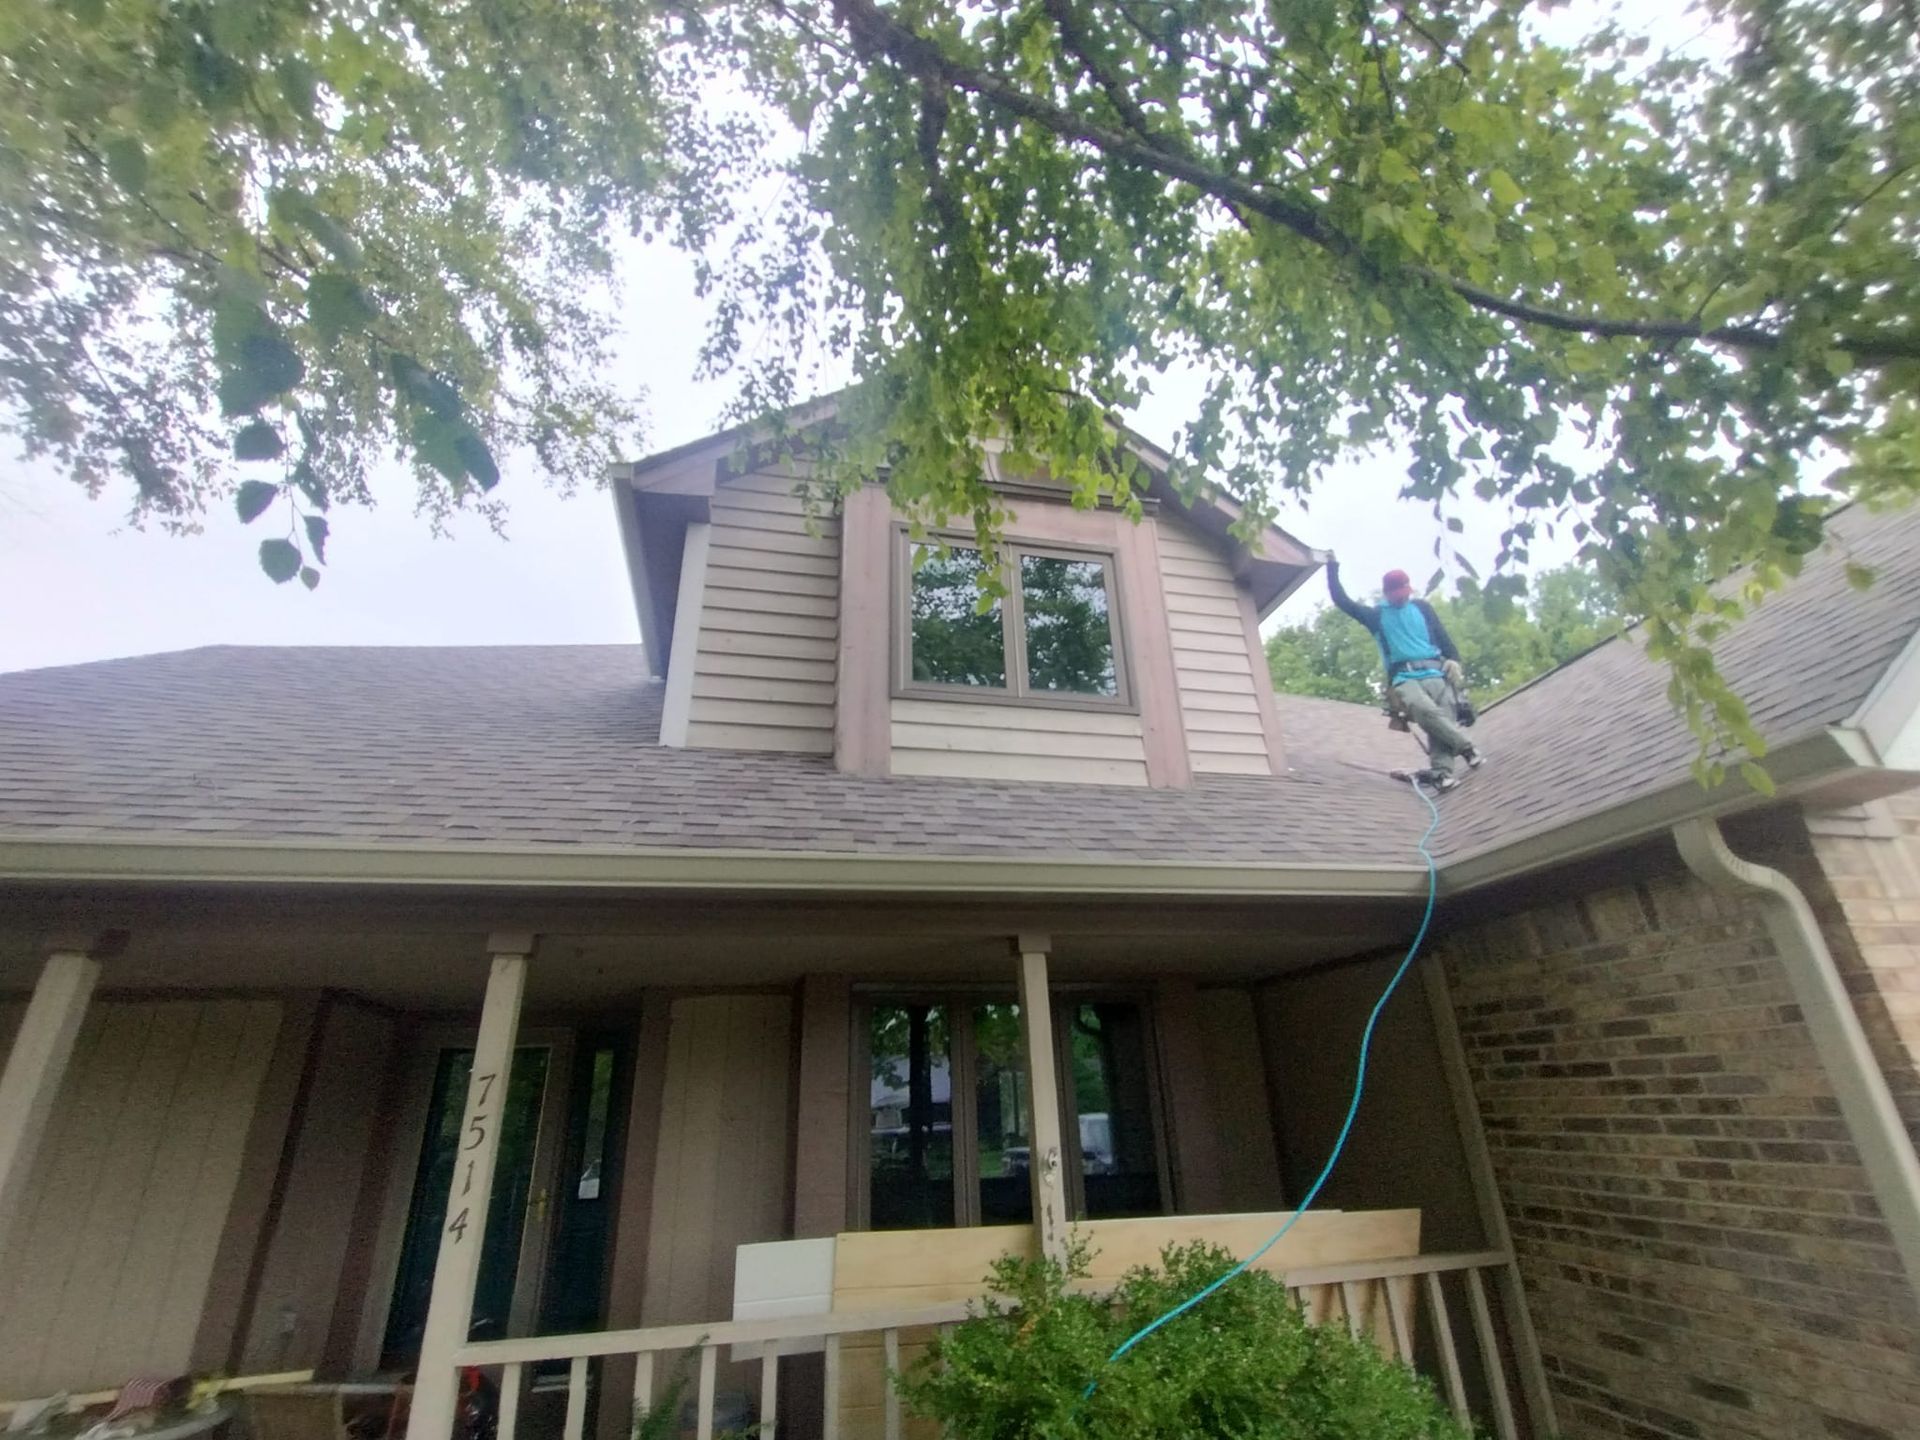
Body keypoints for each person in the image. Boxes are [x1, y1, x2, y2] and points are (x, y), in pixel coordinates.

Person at [1326, 557, 1484, 789]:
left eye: (1406, 591)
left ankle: (1442, 773)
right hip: (1405, 677)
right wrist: (1332, 568)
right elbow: (1342, 601)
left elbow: (1441, 635)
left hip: (1436, 671)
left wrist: (1454, 659)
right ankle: (1466, 748)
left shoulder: (1422, 608)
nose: (1403, 596)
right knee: (1424, 711)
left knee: (1444, 717)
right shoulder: (1376, 616)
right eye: (1398, 593)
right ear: (1387, 593)